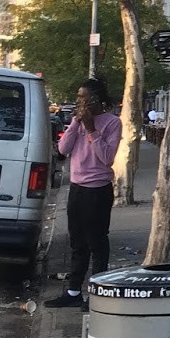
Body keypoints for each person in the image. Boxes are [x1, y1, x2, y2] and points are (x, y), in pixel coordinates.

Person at [44, 79, 123, 310]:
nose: (80, 102)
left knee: (96, 243)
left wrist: (91, 130)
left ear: (97, 100)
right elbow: (63, 149)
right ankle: (73, 291)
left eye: (84, 98)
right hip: (77, 189)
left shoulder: (112, 123)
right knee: (77, 243)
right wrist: (76, 124)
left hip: (97, 190)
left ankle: (97, 293)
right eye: (78, 97)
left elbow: (107, 157)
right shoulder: (76, 122)